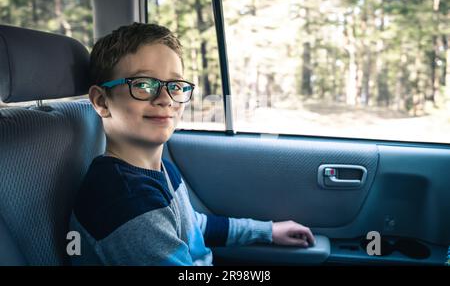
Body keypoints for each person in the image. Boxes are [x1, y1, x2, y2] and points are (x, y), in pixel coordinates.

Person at [70, 22, 315, 265]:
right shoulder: (126, 201)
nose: (166, 99)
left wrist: (267, 231)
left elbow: (192, 226)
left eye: (175, 86)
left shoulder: (159, 169)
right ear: (102, 101)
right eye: (143, 84)